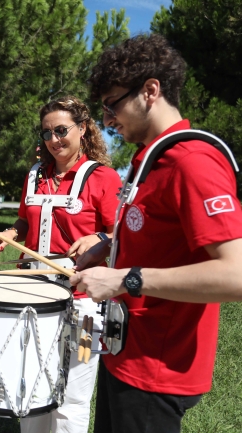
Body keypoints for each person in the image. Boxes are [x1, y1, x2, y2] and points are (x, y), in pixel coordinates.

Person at [69, 34, 242, 433]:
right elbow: (163, 236)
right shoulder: (152, 160)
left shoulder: (193, 163)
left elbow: (234, 274)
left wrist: (123, 279)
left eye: (112, 105)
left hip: (155, 371)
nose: (108, 119)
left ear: (150, 91)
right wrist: (109, 248)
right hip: (125, 353)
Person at [0, 95, 122, 433]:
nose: (53, 140)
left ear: (82, 129)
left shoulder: (104, 178)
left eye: (61, 131)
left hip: (83, 303)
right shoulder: (34, 175)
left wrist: (101, 240)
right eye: (46, 134)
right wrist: (11, 233)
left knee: (73, 399)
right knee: (31, 388)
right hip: (31, 297)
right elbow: (25, 221)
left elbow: (121, 235)